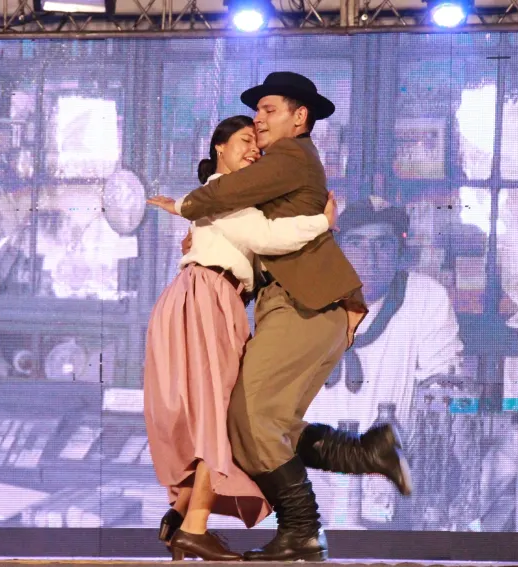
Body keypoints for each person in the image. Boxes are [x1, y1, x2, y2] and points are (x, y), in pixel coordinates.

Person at [158, 72, 413, 562]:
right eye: (257, 112)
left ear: (300, 118)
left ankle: (301, 532)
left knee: (250, 418)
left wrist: (185, 205)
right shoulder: (281, 170)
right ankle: (367, 452)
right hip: (299, 307)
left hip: (304, 305)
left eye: (269, 110)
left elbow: (232, 194)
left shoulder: (290, 155)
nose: (259, 118)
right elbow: (250, 228)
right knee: (264, 423)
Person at [143, 115, 340, 561]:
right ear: (220, 147)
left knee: (212, 414)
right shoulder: (224, 193)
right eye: (245, 141)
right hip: (209, 296)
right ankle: (193, 527)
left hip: (204, 296)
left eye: (257, 145)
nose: (254, 150)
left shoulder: (221, 197)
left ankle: (180, 516)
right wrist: (321, 223)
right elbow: (267, 237)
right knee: (219, 415)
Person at [304, 196, 463, 529]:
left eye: (383, 244)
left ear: (400, 251)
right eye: (356, 244)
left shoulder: (425, 298)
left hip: (386, 471)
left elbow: (442, 389)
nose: (370, 257)